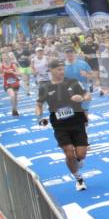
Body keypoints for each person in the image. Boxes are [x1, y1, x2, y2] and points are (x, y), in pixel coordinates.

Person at [35, 59, 92, 191]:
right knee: (69, 154)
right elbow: (38, 105)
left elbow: (87, 95)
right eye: (58, 69)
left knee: (81, 154)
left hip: (77, 123)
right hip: (60, 126)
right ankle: (79, 179)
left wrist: (82, 98)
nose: (62, 71)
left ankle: (78, 161)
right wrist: (40, 117)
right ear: (51, 70)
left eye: (63, 69)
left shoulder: (72, 82)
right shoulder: (45, 87)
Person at [0, 50, 21, 117]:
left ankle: (15, 109)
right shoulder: (1, 66)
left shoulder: (13, 65)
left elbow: (19, 74)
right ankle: (13, 109)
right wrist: (4, 73)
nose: (5, 58)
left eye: (6, 57)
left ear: (9, 58)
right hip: (7, 84)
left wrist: (13, 72)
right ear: (2, 59)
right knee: (12, 96)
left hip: (15, 84)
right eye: (3, 57)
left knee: (15, 97)